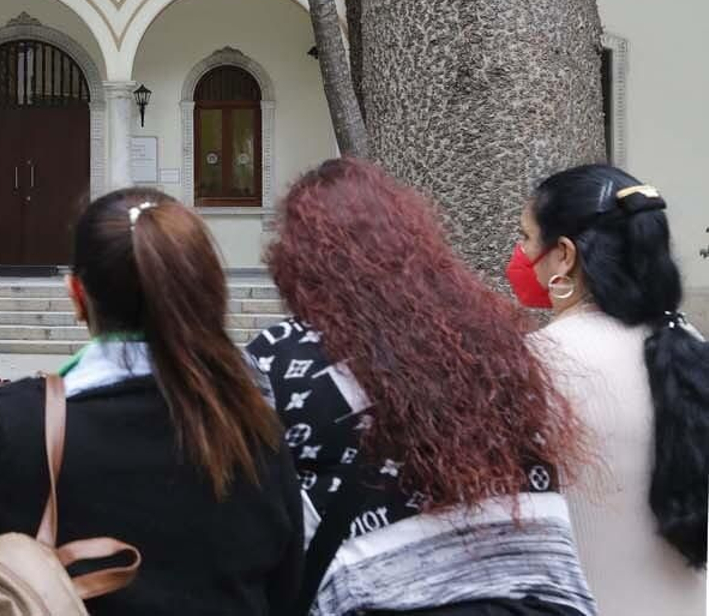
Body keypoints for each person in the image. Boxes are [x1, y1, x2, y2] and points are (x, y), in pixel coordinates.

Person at [0, 189, 303, 616]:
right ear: (206, 290)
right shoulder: (256, 431)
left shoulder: (19, 429)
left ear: (78, 296)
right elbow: (289, 591)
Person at [251, 158, 594, 616]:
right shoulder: (495, 341)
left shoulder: (279, 357)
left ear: (295, 262)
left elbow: (251, 516)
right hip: (540, 599)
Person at [516, 165, 707, 615]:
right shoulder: (689, 347)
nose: (521, 253)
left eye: (526, 237)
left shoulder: (535, 363)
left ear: (564, 255)